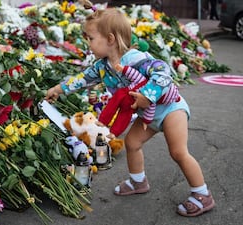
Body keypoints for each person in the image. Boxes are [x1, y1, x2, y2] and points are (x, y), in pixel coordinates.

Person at [45, 0, 215, 217]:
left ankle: (202, 194)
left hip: (170, 108)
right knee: (132, 143)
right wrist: (59, 89)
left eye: (90, 38)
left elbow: (163, 72)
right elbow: (83, 79)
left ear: (110, 39)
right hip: (147, 116)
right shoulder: (103, 66)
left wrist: (147, 95)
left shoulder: (135, 59)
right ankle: (138, 181)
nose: (87, 42)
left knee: (178, 152)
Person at [98, 63, 180, 137]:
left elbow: (149, 113)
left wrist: (146, 121)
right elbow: (134, 74)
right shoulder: (144, 82)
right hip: (123, 94)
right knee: (112, 105)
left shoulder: (151, 102)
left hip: (130, 106)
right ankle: (103, 121)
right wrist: (124, 69)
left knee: (124, 117)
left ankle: (114, 132)